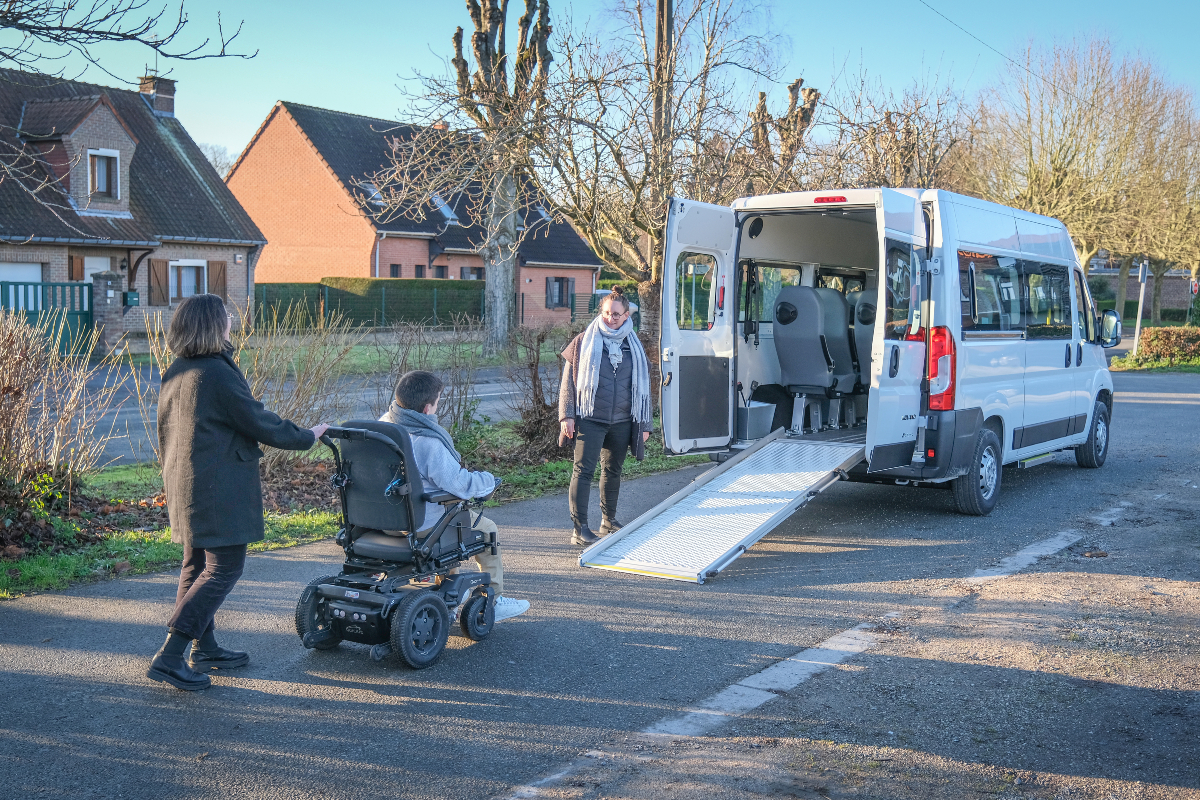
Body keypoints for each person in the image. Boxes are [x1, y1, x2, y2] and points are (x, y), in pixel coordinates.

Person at [147, 294, 329, 691]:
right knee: (223, 568)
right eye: (227, 320)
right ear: (215, 326)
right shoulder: (216, 372)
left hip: (185, 482)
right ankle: (171, 655)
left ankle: (205, 647)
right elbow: (256, 420)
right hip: (216, 487)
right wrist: (306, 436)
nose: (232, 325)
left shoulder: (177, 370)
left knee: (195, 566)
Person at [380, 370, 529, 622]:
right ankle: (493, 598)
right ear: (428, 408)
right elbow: (460, 485)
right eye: (438, 402)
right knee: (485, 528)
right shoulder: (427, 441)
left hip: (381, 521)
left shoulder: (382, 426)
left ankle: (448, 597)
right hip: (420, 523)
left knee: (451, 523)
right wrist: (489, 480)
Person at [558, 286, 653, 546]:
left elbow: (643, 386)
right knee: (583, 471)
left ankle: (608, 520)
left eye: (617, 314)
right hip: (590, 418)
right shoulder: (583, 341)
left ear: (626, 316)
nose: (611, 318)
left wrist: (644, 423)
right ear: (601, 313)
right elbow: (567, 383)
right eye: (607, 313)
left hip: (622, 421)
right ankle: (580, 528)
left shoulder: (633, 345)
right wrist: (566, 416)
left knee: (613, 470)